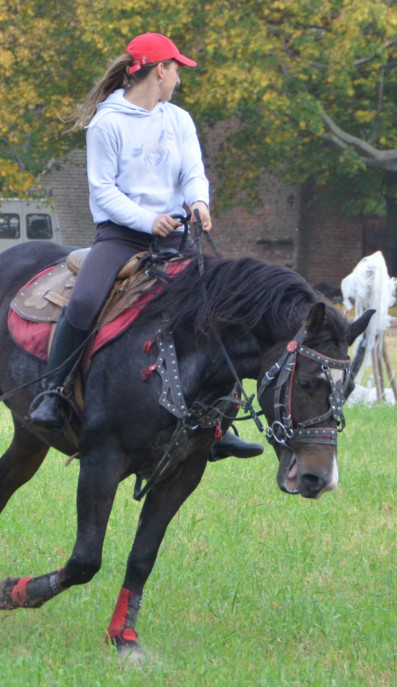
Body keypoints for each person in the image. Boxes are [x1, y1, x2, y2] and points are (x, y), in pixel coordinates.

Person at [28, 33, 262, 459]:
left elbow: (193, 171)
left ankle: (219, 422)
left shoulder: (179, 120)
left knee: (218, 310)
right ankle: (54, 393)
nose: (178, 79)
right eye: (176, 70)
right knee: (82, 305)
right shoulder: (106, 123)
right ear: (159, 71)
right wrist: (146, 220)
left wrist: (199, 202)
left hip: (177, 235)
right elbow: (103, 192)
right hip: (121, 236)